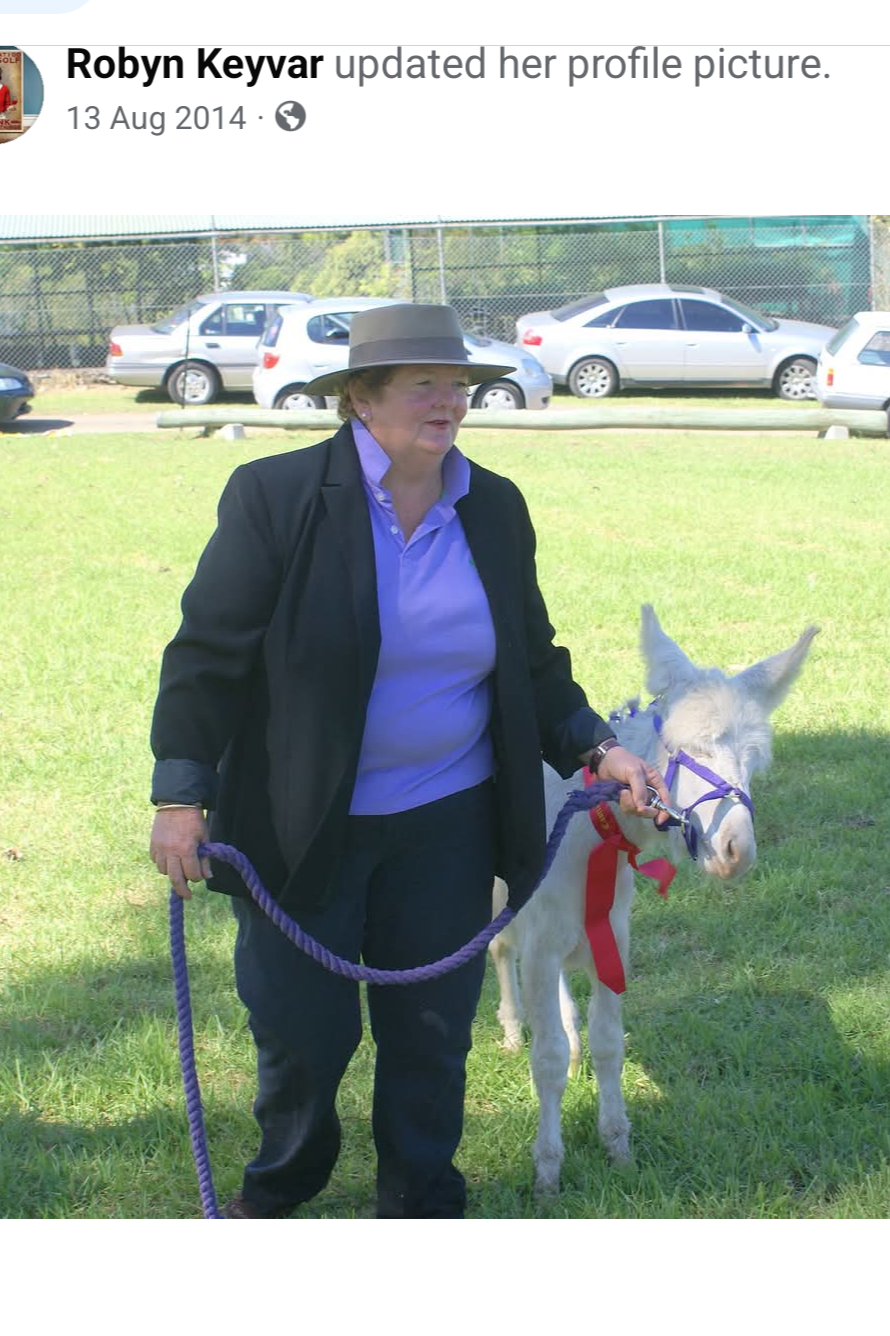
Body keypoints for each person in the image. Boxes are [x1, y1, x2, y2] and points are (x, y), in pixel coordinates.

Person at [149, 303, 671, 1219]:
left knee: (431, 1039)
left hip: (447, 825)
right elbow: (207, 655)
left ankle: (423, 1202)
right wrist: (181, 793)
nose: (449, 402)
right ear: (360, 398)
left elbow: (533, 661)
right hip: (299, 822)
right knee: (304, 1040)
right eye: (424, 384)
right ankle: (283, 1187)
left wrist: (599, 745)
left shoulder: (495, 506)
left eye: (459, 384)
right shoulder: (275, 499)